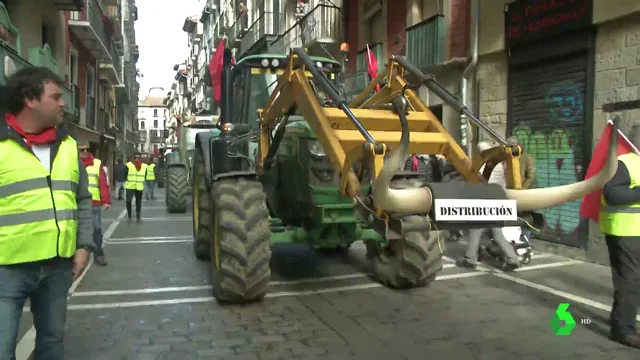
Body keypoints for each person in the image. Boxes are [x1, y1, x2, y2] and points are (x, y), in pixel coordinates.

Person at [0, 67, 94, 359]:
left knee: (52, 344)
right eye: (55, 97)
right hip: (8, 268)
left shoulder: (67, 145)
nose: (63, 103)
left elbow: (82, 199)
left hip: (57, 266)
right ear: (31, 99)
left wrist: (84, 245)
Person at [600, 124, 640, 348]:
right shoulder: (625, 163)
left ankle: (620, 322)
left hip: (634, 231)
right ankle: (624, 330)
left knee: (629, 280)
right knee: (630, 280)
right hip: (624, 231)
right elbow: (613, 192)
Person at [456, 142, 520, 271]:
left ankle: (470, 259)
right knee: (497, 232)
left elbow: (475, 181)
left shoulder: (482, 165)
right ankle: (513, 258)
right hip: (499, 199)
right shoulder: (499, 166)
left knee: (475, 229)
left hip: (485, 201)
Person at [78, 141, 111, 266]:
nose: (85, 152)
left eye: (87, 149)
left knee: (96, 229)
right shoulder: (72, 163)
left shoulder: (97, 164)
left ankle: (99, 254)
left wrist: (106, 201)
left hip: (94, 202)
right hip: (77, 203)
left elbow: (102, 183)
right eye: (82, 149)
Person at [506, 135, 536, 240]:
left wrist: (522, 191)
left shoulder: (527, 158)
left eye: (511, 146)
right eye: (507, 146)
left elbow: (531, 176)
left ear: (518, 145)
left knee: (525, 220)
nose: (509, 148)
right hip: (510, 194)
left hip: (524, 195)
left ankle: (525, 243)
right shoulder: (507, 157)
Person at [125, 152, 147, 221]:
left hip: (139, 187)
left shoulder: (144, 166)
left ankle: (138, 215)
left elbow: (145, 175)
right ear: (133, 158)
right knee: (128, 201)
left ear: (140, 158)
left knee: (138, 202)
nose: (137, 159)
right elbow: (125, 174)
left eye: (138, 158)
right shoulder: (128, 165)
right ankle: (129, 215)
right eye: (135, 157)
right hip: (130, 186)